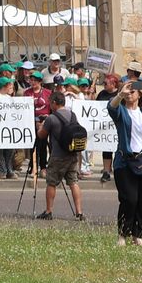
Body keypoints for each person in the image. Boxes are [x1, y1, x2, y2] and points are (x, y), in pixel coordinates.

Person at [108, 79, 142, 246]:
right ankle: (122, 235)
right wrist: (120, 94)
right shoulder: (122, 112)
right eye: (128, 91)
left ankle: (137, 235)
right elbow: (112, 108)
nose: (130, 94)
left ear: (140, 94)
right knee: (129, 199)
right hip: (126, 162)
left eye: (133, 91)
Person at [38, 88, 84, 220]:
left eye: (50, 103)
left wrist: (41, 126)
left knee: (51, 183)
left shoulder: (51, 118)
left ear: (54, 103)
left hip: (58, 155)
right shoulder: (73, 115)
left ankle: (48, 211)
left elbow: (41, 135)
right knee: (73, 182)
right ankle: (79, 212)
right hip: (72, 154)